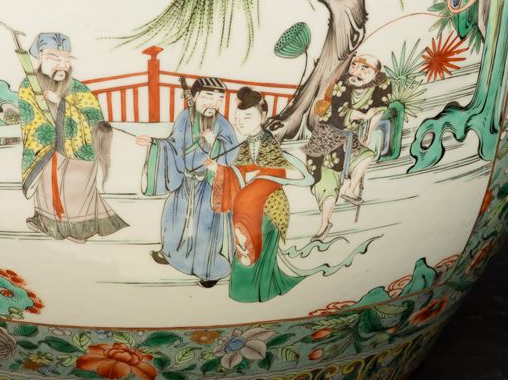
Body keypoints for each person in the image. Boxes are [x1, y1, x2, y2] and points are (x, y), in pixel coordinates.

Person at [204, 87, 314, 303]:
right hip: (250, 206)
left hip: (268, 206)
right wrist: (219, 169)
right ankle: (252, 291)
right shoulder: (246, 144)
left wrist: (254, 177)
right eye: (237, 118)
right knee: (245, 249)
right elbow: (238, 171)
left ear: (263, 117)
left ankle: (260, 291)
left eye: (247, 117)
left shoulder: (268, 142)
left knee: (257, 252)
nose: (241, 123)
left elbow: (276, 173)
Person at [18, 32, 127, 243]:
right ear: (40, 58)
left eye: (66, 59)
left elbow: (93, 120)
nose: (63, 65)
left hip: (79, 152)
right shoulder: (28, 86)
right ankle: (46, 223)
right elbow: (31, 120)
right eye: (54, 58)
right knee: (47, 188)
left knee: (74, 192)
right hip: (47, 149)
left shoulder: (79, 89)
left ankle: (79, 231)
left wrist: (61, 105)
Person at [136, 77, 238, 288]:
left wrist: (215, 143)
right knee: (173, 217)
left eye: (219, 99)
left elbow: (232, 153)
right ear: (195, 96)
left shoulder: (222, 124)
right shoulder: (185, 117)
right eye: (208, 97)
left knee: (206, 227)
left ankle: (208, 270)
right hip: (185, 181)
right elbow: (173, 144)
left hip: (209, 185)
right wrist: (154, 143)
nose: (214, 103)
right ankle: (171, 253)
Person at [303, 54, 393, 241]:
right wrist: (364, 115)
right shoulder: (342, 84)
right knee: (328, 184)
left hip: (350, 140)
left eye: (364, 69)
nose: (357, 72)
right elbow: (341, 113)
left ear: (376, 74)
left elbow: (379, 108)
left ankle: (350, 189)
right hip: (327, 138)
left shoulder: (382, 85)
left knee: (366, 155)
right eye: (354, 66)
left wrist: (369, 133)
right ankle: (324, 224)